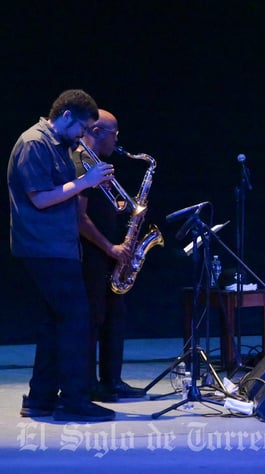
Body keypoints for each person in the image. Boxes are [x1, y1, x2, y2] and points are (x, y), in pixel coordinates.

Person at [8, 89, 117, 421]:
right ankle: (74, 401)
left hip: (58, 246)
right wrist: (86, 181)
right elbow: (40, 199)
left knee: (53, 322)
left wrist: (86, 181)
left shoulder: (58, 144)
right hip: (44, 247)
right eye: (82, 128)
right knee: (75, 320)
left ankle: (39, 399)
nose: (83, 136)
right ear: (66, 116)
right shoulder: (34, 144)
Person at [73, 109, 148, 402]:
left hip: (109, 253)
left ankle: (111, 381)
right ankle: (89, 383)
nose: (117, 140)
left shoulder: (97, 164)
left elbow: (102, 207)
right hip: (92, 254)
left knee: (114, 316)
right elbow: (79, 218)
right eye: (114, 133)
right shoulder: (81, 163)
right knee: (93, 319)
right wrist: (110, 247)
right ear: (97, 131)